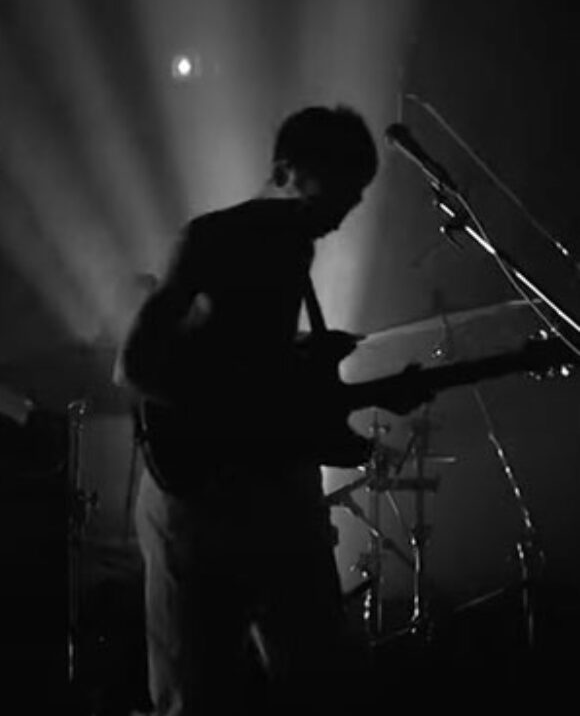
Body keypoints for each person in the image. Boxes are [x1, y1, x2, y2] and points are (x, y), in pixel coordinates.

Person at [115, 105, 428, 716]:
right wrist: (245, 421)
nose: (347, 208)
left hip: (272, 498)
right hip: (196, 503)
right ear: (284, 171)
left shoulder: (297, 253)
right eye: (336, 190)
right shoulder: (210, 239)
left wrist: (357, 394)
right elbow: (134, 367)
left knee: (319, 682)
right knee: (197, 696)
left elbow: (260, 375)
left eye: (356, 193)